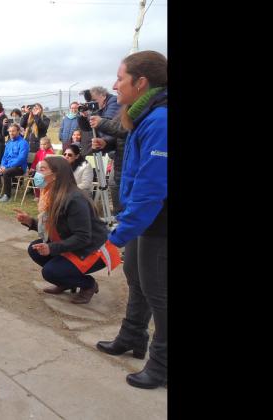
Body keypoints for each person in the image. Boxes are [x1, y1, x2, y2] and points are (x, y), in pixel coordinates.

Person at [95, 50, 167, 390]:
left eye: (120, 78)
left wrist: (118, 234)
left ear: (141, 82)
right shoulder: (144, 115)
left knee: (159, 291)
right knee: (136, 277)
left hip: (159, 222)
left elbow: (151, 188)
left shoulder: (161, 120)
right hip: (142, 219)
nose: (115, 85)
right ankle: (132, 336)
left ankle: (163, 364)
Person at [15, 156, 121, 305]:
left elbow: (83, 237)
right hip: (75, 244)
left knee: (51, 272)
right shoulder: (51, 193)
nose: (37, 173)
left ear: (56, 175)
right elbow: (55, 225)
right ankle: (67, 282)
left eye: (42, 169)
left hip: (92, 250)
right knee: (35, 249)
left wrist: (51, 247)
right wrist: (31, 222)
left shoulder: (74, 198)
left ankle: (88, 284)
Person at [89, 113, 129, 215]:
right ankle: (118, 217)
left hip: (132, 172)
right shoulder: (126, 109)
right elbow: (121, 139)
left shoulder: (152, 109)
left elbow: (128, 130)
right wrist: (106, 143)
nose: (118, 96)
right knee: (114, 187)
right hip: (120, 168)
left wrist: (102, 123)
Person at [0, 124, 28, 202]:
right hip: (7, 166)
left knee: (6, 172)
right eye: (10, 131)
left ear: (18, 131)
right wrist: (2, 166)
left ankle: (7, 196)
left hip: (19, 167)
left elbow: (21, 158)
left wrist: (6, 167)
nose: (11, 133)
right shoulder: (9, 143)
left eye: (13, 131)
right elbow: (4, 157)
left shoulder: (23, 143)